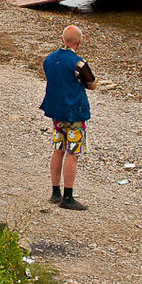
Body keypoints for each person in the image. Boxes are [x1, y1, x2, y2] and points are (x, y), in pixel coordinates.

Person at [40, 25, 96, 211]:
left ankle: (55, 192)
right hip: (75, 113)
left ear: (62, 39)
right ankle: (68, 196)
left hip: (56, 113)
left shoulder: (49, 59)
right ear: (78, 43)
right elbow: (92, 84)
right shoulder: (79, 63)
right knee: (72, 154)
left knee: (58, 150)